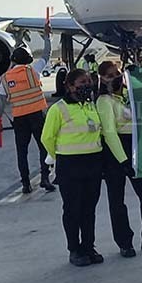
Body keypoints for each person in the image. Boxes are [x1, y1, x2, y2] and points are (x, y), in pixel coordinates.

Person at [97, 61, 142, 257]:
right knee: (117, 200)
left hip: (135, 149)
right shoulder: (104, 101)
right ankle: (124, 243)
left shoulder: (129, 96)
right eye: (110, 75)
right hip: (116, 154)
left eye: (117, 74)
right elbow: (110, 133)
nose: (116, 78)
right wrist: (123, 161)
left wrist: (140, 76)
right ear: (102, 79)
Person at [41, 68, 104, 267]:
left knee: (89, 209)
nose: (87, 86)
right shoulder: (58, 109)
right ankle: (74, 249)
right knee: (72, 210)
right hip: (70, 166)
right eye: (82, 83)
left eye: (88, 82)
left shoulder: (91, 107)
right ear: (69, 86)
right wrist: (58, 155)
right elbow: (47, 138)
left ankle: (88, 246)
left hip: (92, 164)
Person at [0, 32, 54, 194]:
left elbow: (1, 101)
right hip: (37, 116)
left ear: (13, 61)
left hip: (20, 119)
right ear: (27, 60)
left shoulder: (6, 78)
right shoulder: (33, 71)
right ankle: (45, 178)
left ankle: (26, 184)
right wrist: (47, 38)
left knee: (22, 152)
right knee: (44, 148)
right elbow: (46, 54)